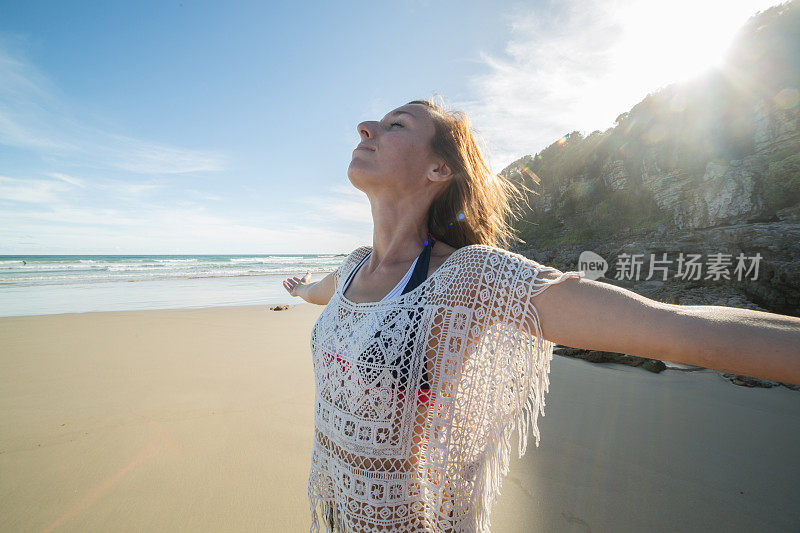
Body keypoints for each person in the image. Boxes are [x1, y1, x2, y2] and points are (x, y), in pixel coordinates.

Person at [283, 97, 800, 532]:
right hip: (332, 506)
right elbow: (320, 294)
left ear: (439, 169)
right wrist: (302, 287)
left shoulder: (469, 277)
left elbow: (669, 328)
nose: (366, 127)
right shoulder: (352, 268)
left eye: (395, 124)